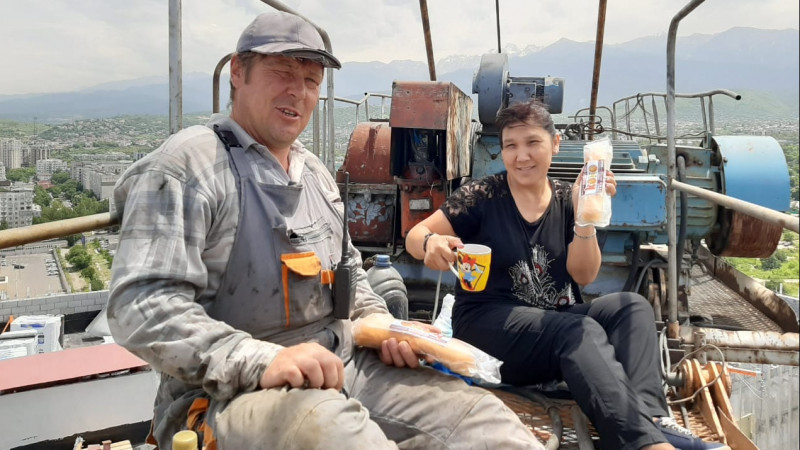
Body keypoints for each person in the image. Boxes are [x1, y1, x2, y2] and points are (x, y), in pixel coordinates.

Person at [107, 10, 543, 450]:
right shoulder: (189, 167)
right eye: (282, 73)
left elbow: (349, 270)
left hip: (344, 362)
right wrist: (263, 360)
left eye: (311, 81)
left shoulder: (313, 173)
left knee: (484, 422)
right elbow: (141, 306)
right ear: (238, 72)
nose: (298, 92)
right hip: (227, 394)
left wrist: (382, 325)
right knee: (335, 432)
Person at [406, 99, 730, 450]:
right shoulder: (482, 196)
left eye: (533, 142)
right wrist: (431, 243)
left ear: (555, 143)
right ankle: (644, 445)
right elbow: (415, 235)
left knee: (631, 308)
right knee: (578, 329)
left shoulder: (570, 198)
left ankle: (651, 419)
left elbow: (584, 275)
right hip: (488, 330)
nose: (522, 156)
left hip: (553, 328)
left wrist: (585, 217)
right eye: (511, 146)